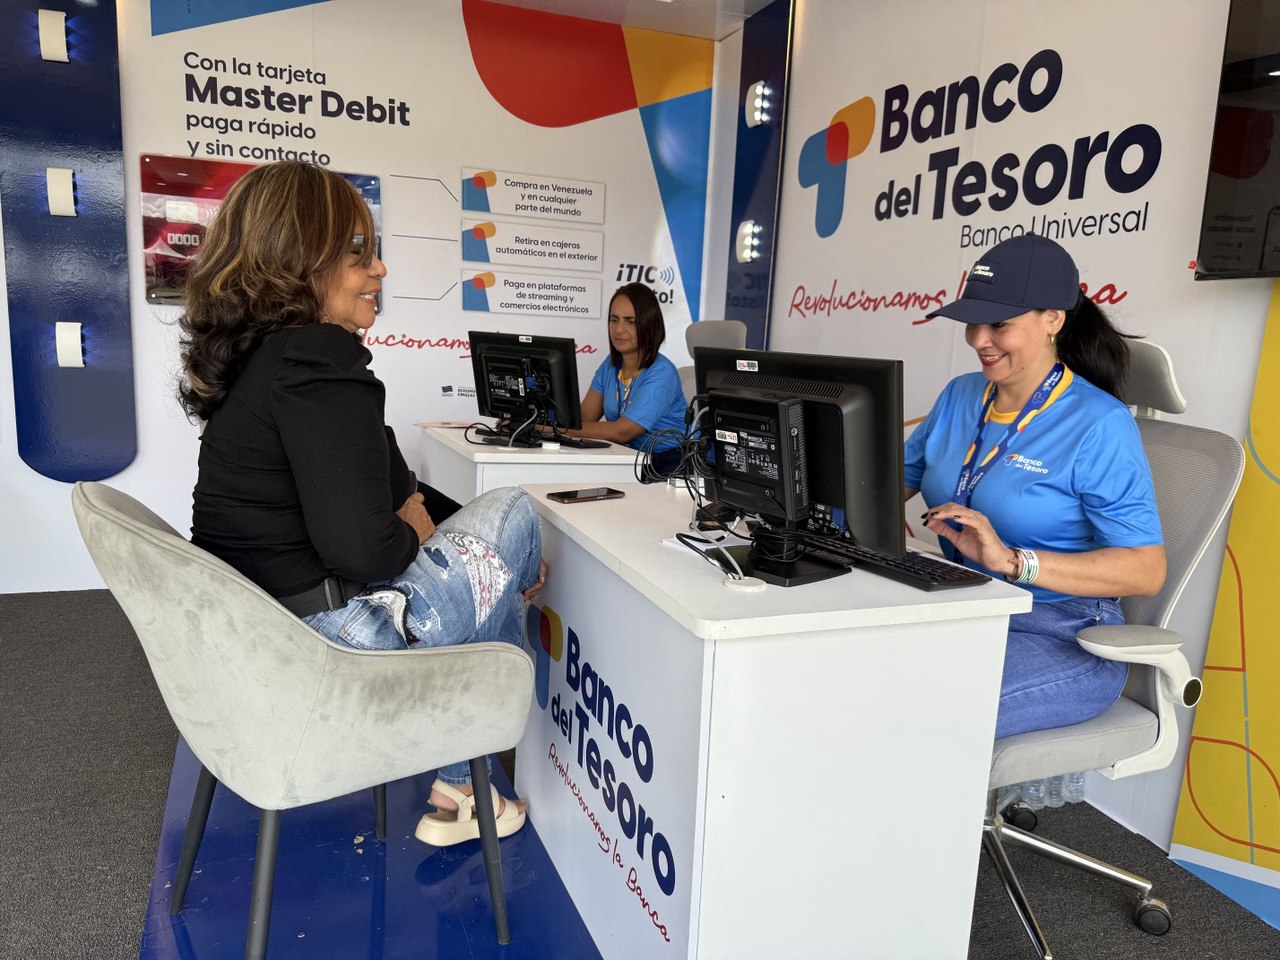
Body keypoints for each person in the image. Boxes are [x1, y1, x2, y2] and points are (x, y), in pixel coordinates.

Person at [177, 160, 545, 846]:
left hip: (258, 642)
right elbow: (367, 548)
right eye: (357, 254)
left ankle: (466, 785)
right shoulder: (317, 359)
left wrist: (430, 526)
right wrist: (470, 551)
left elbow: (391, 480)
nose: (379, 269)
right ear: (296, 265)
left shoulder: (265, 362)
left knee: (495, 558)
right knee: (517, 514)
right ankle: (467, 780)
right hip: (333, 649)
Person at [904, 233, 1166, 739]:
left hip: (1062, 631)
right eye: (972, 322)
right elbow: (883, 484)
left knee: (927, 721)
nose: (979, 339)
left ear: (1053, 320)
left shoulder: (1100, 423)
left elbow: (1146, 570)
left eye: (999, 324)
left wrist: (1012, 561)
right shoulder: (960, 394)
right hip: (963, 604)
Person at [555, 282, 688, 472]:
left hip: (672, 464)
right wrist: (543, 420)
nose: (619, 329)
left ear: (649, 324)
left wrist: (550, 428)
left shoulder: (662, 371)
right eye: (614, 319)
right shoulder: (610, 366)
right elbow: (584, 417)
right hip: (630, 459)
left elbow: (622, 432)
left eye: (630, 321)